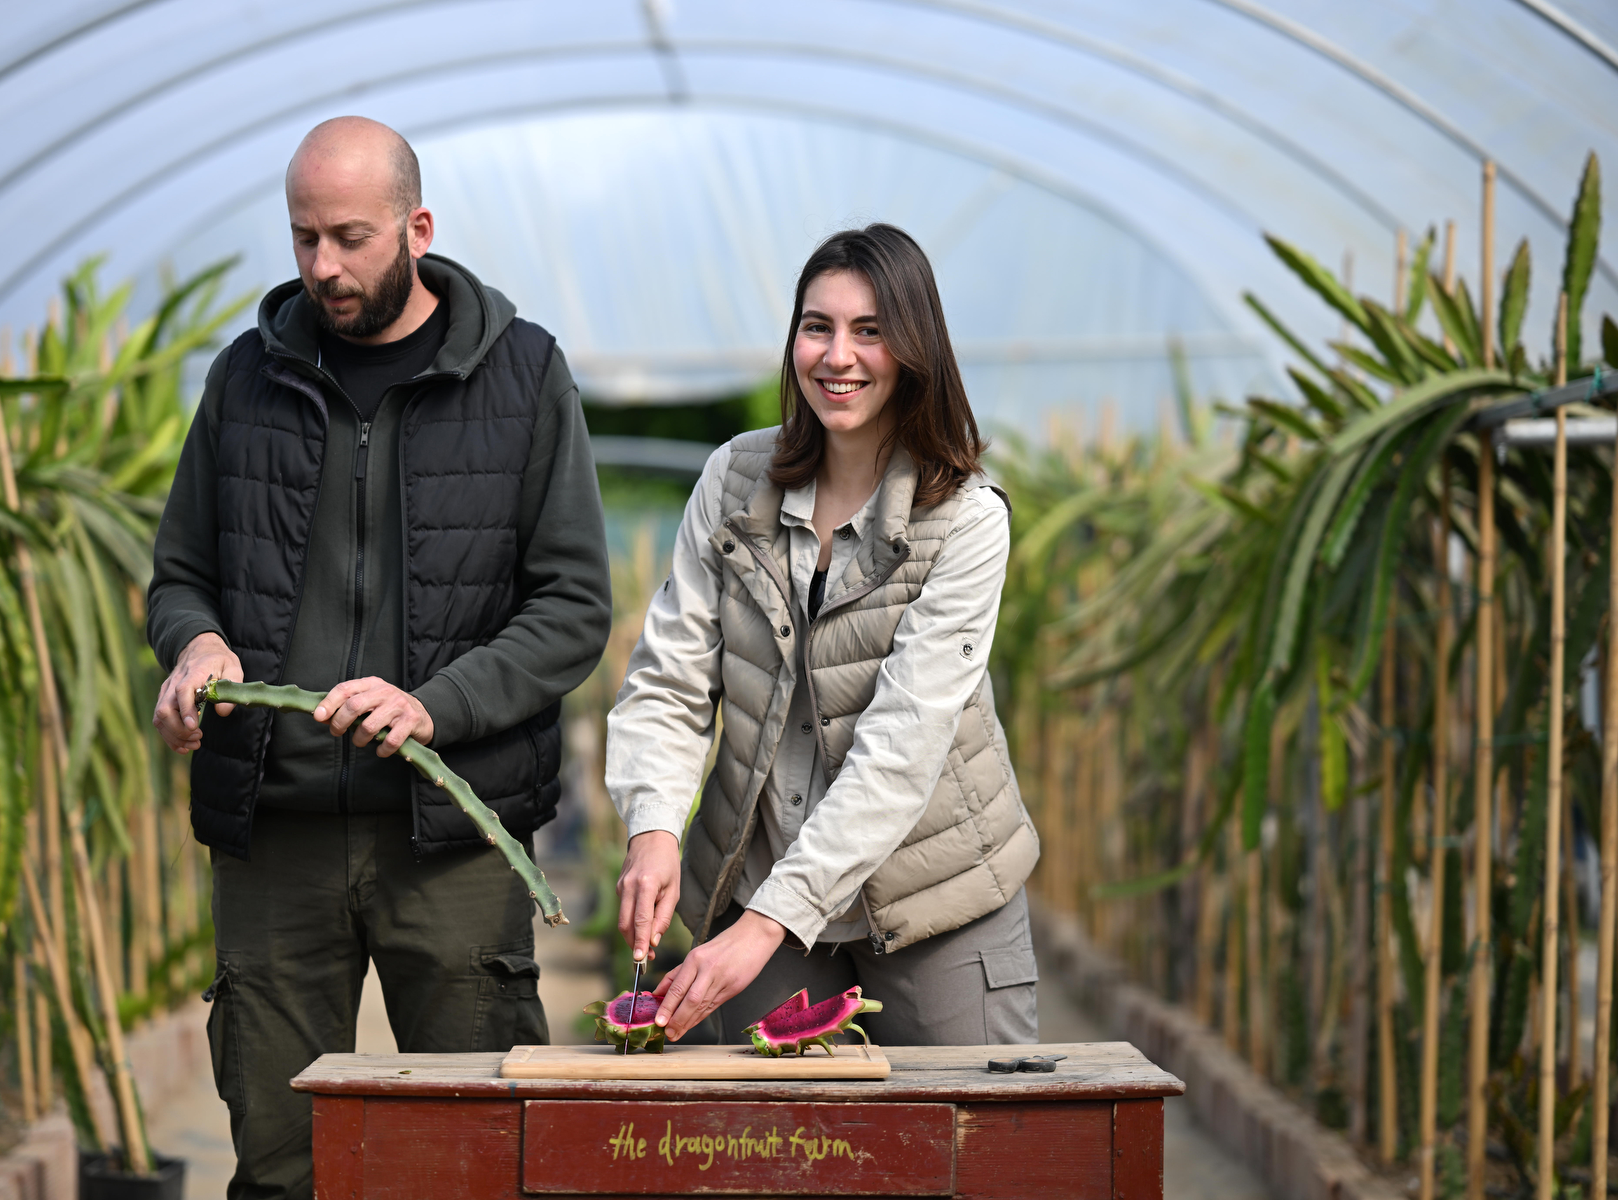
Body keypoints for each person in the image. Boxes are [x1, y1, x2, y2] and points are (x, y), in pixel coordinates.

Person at [146, 116, 610, 1200]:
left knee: (479, 1161)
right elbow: (180, 574)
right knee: (278, 1164)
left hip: (451, 839)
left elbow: (572, 605)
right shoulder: (245, 380)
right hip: (274, 836)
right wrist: (195, 643)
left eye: (350, 237)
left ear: (417, 228)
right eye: (303, 236)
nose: (323, 266)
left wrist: (437, 704)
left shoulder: (523, 375)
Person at [605, 224, 1040, 1046]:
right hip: (759, 876)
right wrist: (654, 826)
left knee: (976, 1124)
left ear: (915, 349)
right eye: (818, 327)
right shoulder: (731, 481)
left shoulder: (968, 519)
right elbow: (668, 679)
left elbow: (902, 749)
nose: (838, 356)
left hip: (935, 897)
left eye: (870, 331)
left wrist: (769, 922)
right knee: (765, 1127)